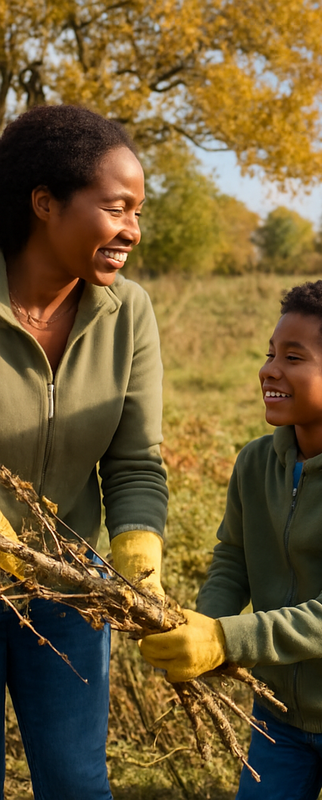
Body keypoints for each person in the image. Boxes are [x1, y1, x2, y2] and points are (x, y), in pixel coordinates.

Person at [140, 280, 322, 800]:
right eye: (271, 353)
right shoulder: (256, 462)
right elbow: (233, 559)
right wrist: (206, 627)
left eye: (294, 357)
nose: (269, 369)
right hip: (278, 709)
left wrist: (227, 639)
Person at [0, 105, 168, 798]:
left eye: (139, 210)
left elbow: (134, 459)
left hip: (70, 587)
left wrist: (136, 553)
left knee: (76, 782)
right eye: (117, 207)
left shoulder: (127, 313)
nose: (133, 229)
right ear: (46, 204)